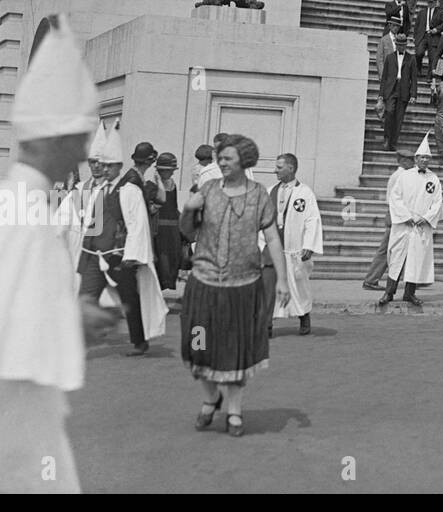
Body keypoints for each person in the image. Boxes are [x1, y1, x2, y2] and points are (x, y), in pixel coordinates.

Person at [0, 20, 118, 493]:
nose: (83, 152)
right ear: (56, 137)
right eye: (78, 138)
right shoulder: (26, 210)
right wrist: (78, 324)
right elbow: (15, 332)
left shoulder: (21, 200)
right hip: (18, 420)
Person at [180, 135, 289, 437]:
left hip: (242, 289)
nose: (222, 163)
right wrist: (189, 209)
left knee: (232, 351)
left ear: (244, 160)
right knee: (198, 345)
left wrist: (281, 279)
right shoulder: (208, 190)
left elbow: (272, 240)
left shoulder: (259, 195)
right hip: (203, 286)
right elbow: (187, 233)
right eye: (220, 158)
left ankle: (234, 410)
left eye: (227, 158)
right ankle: (210, 397)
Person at [78, 126, 166, 357]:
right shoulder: (97, 191)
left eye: (109, 165)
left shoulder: (129, 191)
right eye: (102, 164)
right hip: (96, 256)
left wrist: (132, 256)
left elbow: (138, 225)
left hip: (120, 255)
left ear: (118, 166)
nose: (104, 169)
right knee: (85, 297)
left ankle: (140, 340)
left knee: (130, 299)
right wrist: (84, 248)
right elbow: (92, 224)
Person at [379, 147, 443, 305]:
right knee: (396, 259)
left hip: (421, 225)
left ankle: (410, 293)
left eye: (427, 157)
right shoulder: (404, 176)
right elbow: (395, 197)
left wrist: (427, 218)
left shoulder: (434, 179)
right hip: (404, 224)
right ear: (416, 159)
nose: (424, 160)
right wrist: (405, 216)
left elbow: (437, 203)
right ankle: (389, 292)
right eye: (422, 157)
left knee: (416, 259)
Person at [267, 154, 321, 336]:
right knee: (270, 287)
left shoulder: (305, 193)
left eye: (279, 167)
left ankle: (304, 316)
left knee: (299, 287)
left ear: (291, 168)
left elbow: (312, 220)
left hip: (294, 249)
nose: (275, 170)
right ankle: (267, 325)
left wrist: (309, 245)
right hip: (274, 250)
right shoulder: (270, 191)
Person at [361, 151, 414, 290]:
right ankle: (371, 279)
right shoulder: (400, 176)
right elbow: (397, 200)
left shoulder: (402, 175)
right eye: (409, 159)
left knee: (397, 249)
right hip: (396, 215)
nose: (412, 162)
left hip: (398, 215)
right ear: (401, 160)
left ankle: (410, 279)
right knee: (386, 250)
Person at [152, 152, 184, 292]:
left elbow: (174, 206)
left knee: (172, 258)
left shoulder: (172, 183)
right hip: (158, 229)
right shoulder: (153, 184)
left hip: (172, 229)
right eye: (168, 170)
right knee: (161, 260)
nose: (171, 173)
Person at [380, 33, 417, 151]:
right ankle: (387, 138)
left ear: (406, 45)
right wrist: (381, 94)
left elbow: (414, 78)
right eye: (399, 45)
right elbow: (384, 77)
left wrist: (413, 94)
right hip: (391, 88)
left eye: (403, 45)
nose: (401, 47)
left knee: (399, 118)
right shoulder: (389, 57)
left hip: (404, 89)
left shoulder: (411, 58)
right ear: (396, 45)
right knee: (389, 112)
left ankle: (393, 143)